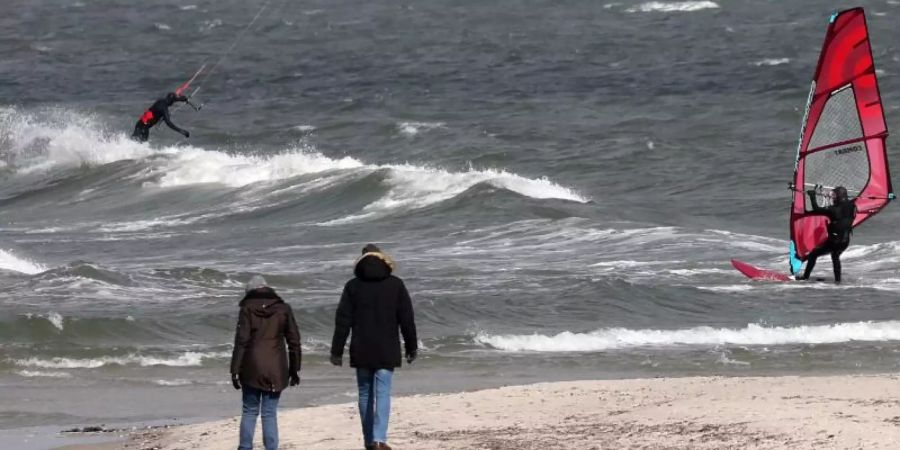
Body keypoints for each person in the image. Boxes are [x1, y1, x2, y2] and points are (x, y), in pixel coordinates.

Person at [330, 244, 418, 450]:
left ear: (360, 261)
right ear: (383, 259)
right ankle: (379, 439)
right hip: (387, 347)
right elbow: (407, 320)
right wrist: (411, 347)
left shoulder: (352, 286)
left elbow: (342, 321)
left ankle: (369, 441)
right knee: (383, 392)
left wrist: (336, 351)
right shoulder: (396, 285)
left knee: (364, 393)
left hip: (361, 347)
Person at [230, 275, 302, 450]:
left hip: (251, 366)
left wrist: (234, 370)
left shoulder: (246, 308)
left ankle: (245, 447)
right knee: (269, 413)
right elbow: (294, 342)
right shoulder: (283, 308)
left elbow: (241, 341)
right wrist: (294, 370)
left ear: (250, 292)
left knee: (249, 411)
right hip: (276, 368)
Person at [796, 186, 856, 284]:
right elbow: (842, 208)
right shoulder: (853, 206)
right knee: (835, 256)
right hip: (845, 241)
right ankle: (837, 281)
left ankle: (805, 277)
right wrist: (828, 197)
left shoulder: (834, 210)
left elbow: (816, 209)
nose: (833, 197)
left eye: (835, 195)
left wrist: (812, 196)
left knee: (813, 254)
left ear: (840, 196)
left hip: (835, 241)